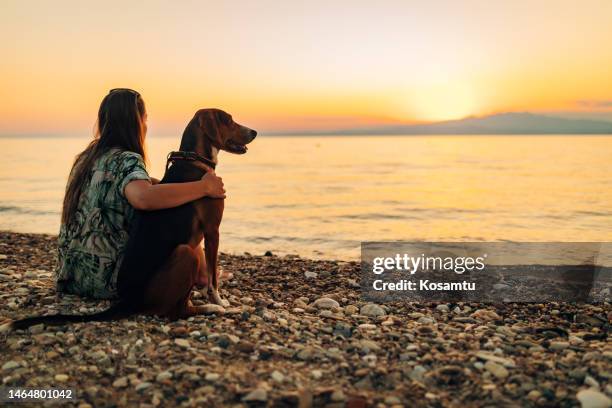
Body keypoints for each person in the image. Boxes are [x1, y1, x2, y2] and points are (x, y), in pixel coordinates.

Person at [56, 88, 227, 299]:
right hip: (113, 281)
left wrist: (158, 183)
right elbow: (144, 199)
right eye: (145, 120)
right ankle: (202, 277)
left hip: (72, 277)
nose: (146, 126)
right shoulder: (127, 159)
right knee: (176, 211)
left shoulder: (85, 158)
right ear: (137, 122)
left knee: (175, 206)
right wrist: (204, 187)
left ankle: (201, 275)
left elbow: (113, 190)